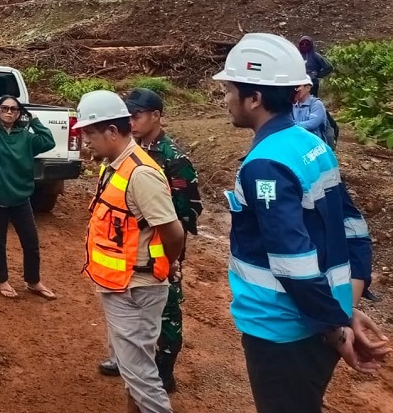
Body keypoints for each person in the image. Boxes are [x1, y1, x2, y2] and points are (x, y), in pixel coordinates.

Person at [214, 33, 390, 413]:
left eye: (229, 90)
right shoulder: (312, 145)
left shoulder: (265, 165)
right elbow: (354, 230)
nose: (225, 100)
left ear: (255, 98)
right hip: (319, 316)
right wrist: (341, 309)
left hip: (283, 330)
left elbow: (292, 263)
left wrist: (336, 330)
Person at [72, 90, 185, 413]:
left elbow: (173, 230)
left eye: (91, 134)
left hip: (136, 286)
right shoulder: (115, 165)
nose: (88, 142)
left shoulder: (141, 174)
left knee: (140, 374)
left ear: (111, 131)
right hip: (122, 283)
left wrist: (168, 262)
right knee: (134, 367)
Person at [98, 88, 203, 393]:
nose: (131, 121)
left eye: (137, 115)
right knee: (124, 303)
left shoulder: (173, 159)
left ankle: (164, 371)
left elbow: (187, 212)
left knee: (167, 310)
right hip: (127, 247)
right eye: (127, 116)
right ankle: (126, 359)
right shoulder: (128, 150)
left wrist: (173, 257)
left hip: (162, 247)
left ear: (156, 116)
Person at [0, 70, 56, 300]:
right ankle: (2, 280)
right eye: (4, 108)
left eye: (13, 109)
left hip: (20, 198)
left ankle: (33, 281)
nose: (8, 112)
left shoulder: (26, 138)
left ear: (18, 114)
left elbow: (48, 141)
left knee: (31, 242)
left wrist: (33, 119)